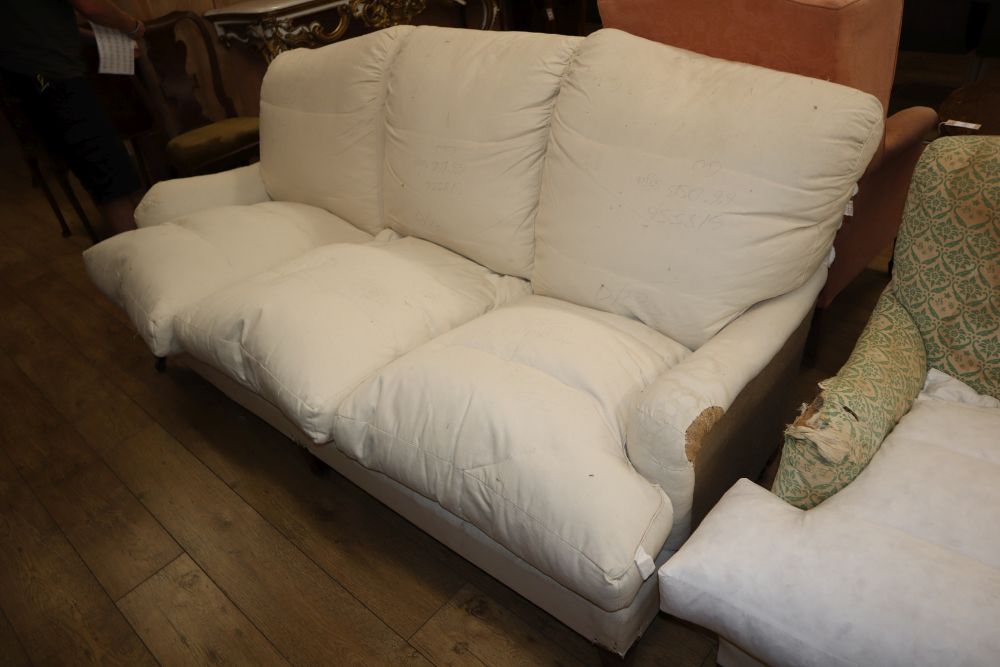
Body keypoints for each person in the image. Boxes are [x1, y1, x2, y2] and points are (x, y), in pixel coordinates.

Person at [0, 0, 146, 237]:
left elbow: (39, 24)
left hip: (31, 78)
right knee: (109, 177)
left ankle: (144, 248)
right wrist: (132, 26)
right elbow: (92, 6)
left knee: (107, 169)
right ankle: (140, 257)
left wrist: (99, 40)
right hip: (53, 78)